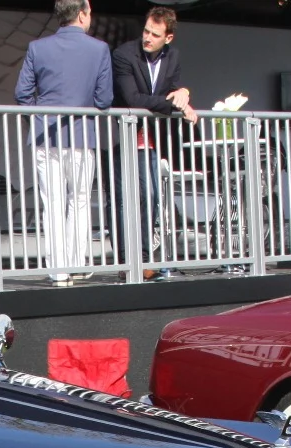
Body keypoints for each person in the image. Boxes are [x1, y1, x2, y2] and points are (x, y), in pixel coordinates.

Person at [15, 0, 113, 286]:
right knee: (80, 201)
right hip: (82, 136)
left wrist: (39, 114)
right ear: (82, 14)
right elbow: (104, 100)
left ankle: (58, 270)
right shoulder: (99, 49)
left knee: (53, 203)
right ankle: (76, 262)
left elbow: (22, 94)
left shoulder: (38, 47)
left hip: (46, 135)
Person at [111, 5, 195, 281]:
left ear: (168, 38)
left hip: (152, 138)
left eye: (154, 34)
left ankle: (145, 258)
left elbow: (171, 86)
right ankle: (126, 261)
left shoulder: (174, 57)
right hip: (124, 135)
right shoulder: (124, 54)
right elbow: (133, 98)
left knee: (151, 196)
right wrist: (173, 103)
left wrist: (182, 93)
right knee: (126, 200)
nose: (147, 37)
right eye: (146, 31)